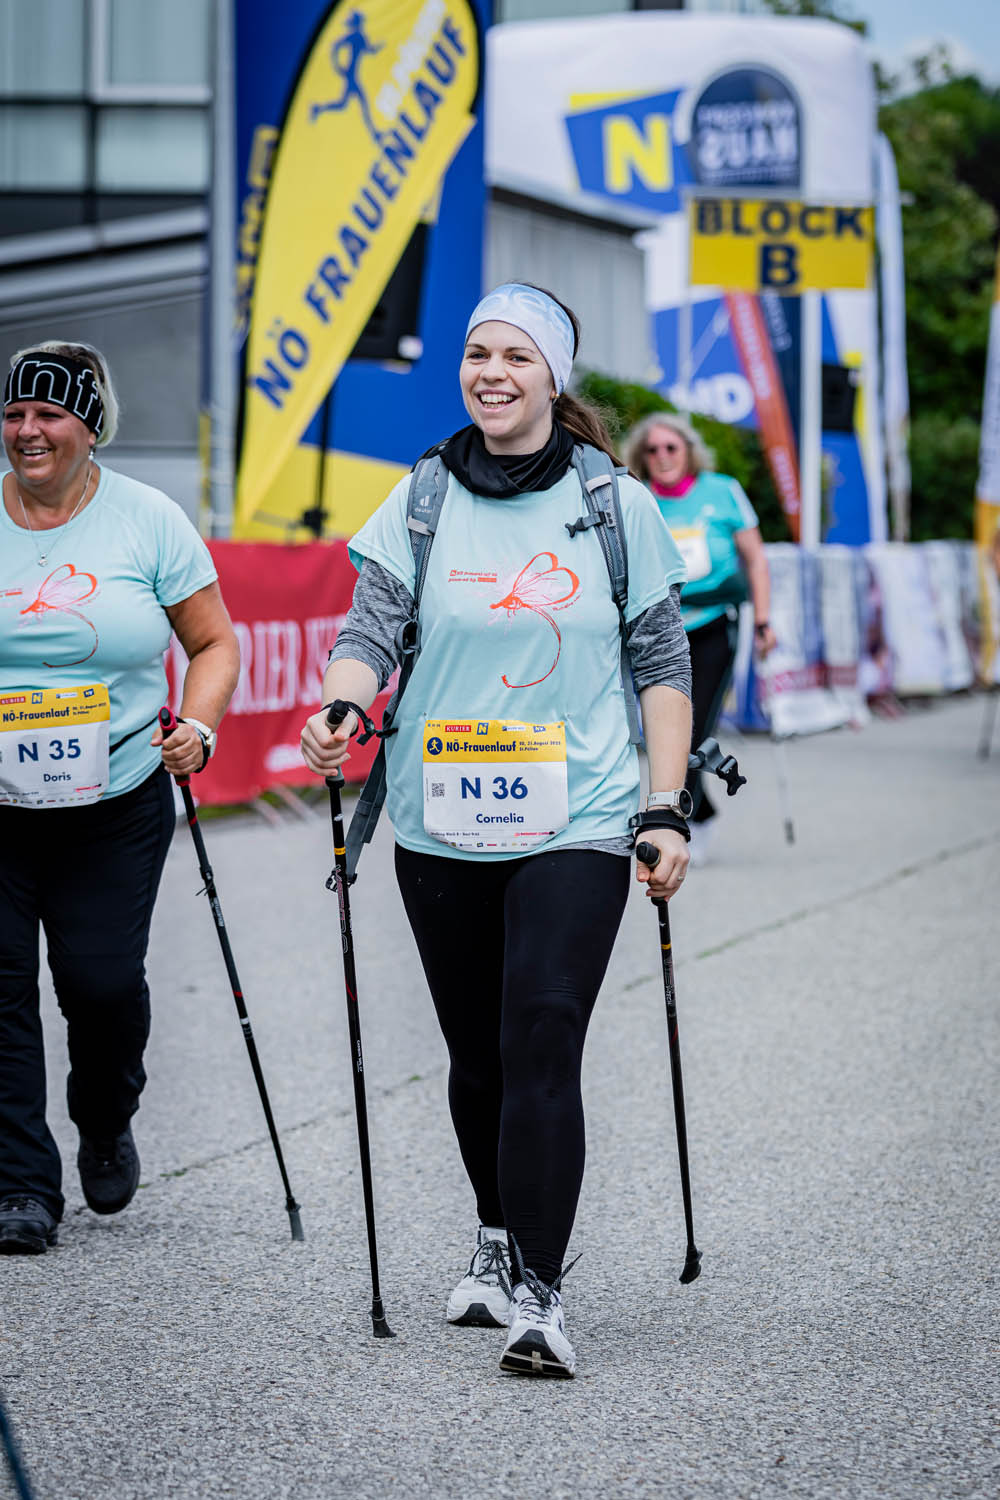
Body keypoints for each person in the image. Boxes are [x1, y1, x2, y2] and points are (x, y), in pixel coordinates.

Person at [300, 283, 693, 1379]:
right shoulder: (422, 497)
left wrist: (664, 808)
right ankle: (492, 1230)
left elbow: (662, 663)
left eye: (517, 356)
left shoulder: (612, 503)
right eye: (479, 354)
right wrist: (340, 709)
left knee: (543, 1033)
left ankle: (540, 1292)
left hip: (581, 812)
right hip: (443, 814)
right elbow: (369, 631)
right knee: (477, 1056)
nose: (493, 373)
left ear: (553, 377)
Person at [0, 340, 240, 1255]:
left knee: (99, 986)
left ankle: (104, 1117)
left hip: (115, 797)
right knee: (0, 990)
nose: (27, 431)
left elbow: (214, 644)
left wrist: (199, 726)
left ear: (91, 426)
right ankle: (21, 1184)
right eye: (15, 413)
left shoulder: (148, 520)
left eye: (49, 414)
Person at [625, 412, 776, 862]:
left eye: (671, 447)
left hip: (712, 623)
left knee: (691, 731)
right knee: (660, 731)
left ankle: (679, 821)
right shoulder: (637, 497)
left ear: (688, 451)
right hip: (658, 630)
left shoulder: (722, 491)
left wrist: (764, 620)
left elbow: (755, 559)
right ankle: (702, 810)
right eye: (652, 449)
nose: (662, 456)